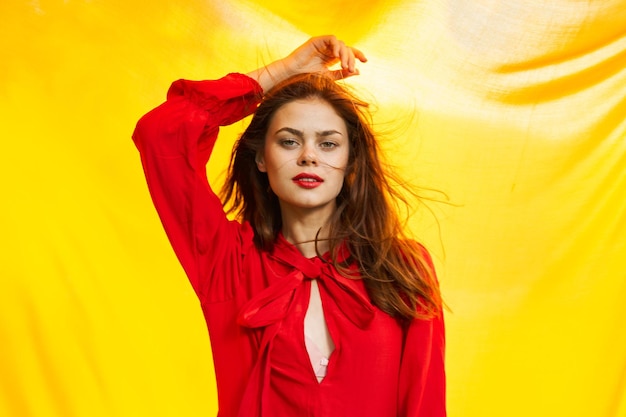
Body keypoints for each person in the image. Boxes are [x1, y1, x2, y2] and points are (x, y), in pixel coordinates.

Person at [133, 35, 446, 417]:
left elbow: (425, 406)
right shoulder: (228, 260)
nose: (309, 156)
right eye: (288, 141)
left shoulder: (403, 267)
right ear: (262, 158)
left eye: (328, 144)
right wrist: (282, 72)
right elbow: (160, 132)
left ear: (350, 162)